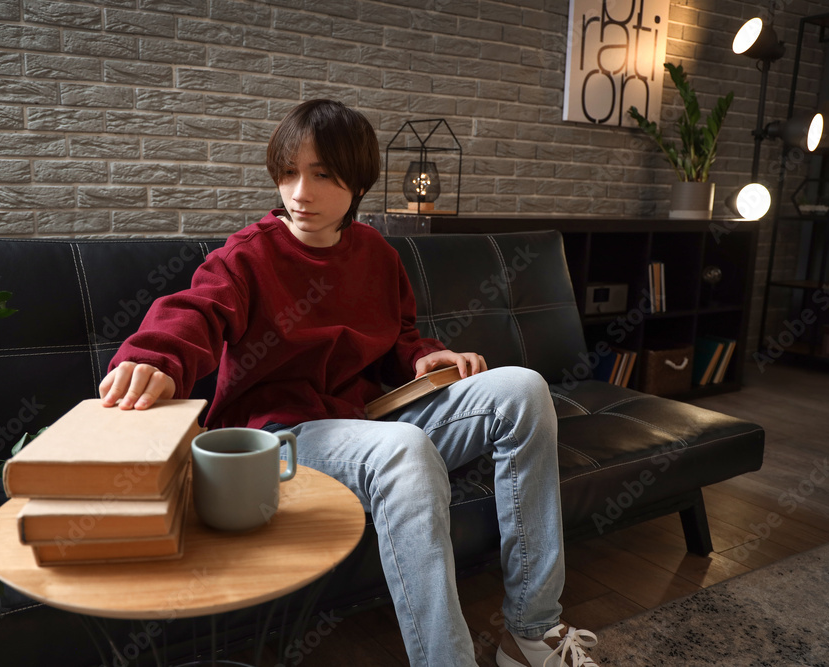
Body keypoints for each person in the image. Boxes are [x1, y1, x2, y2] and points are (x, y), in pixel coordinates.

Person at [98, 99, 598, 667]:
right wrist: (154, 359)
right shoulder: (248, 256)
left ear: (357, 182)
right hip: (283, 437)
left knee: (525, 389)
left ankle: (530, 633)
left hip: (368, 417)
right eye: (288, 173)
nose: (299, 193)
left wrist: (425, 358)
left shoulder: (377, 257)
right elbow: (197, 311)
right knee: (404, 449)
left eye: (322, 175)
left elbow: (400, 337)